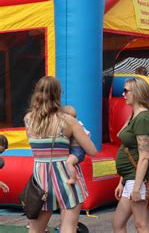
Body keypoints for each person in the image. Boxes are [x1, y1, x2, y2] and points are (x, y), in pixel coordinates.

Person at [24, 76, 97, 233]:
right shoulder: (68, 121)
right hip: (66, 176)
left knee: (35, 230)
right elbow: (92, 150)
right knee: (68, 227)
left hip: (41, 179)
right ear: (58, 94)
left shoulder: (29, 120)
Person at [113, 77, 149, 233]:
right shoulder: (135, 116)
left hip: (138, 180)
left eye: (126, 90)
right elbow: (129, 150)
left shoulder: (143, 119)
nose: (123, 94)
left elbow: (144, 156)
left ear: (137, 93)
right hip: (131, 179)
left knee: (141, 225)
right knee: (118, 223)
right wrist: (122, 181)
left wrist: (136, 189)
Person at [62, 105, 91, 185]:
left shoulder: (78, 125)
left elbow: (87, 134)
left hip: (78, 151)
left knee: (69, 162)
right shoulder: (66, 127)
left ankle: (73, 179)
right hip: (72, 150)